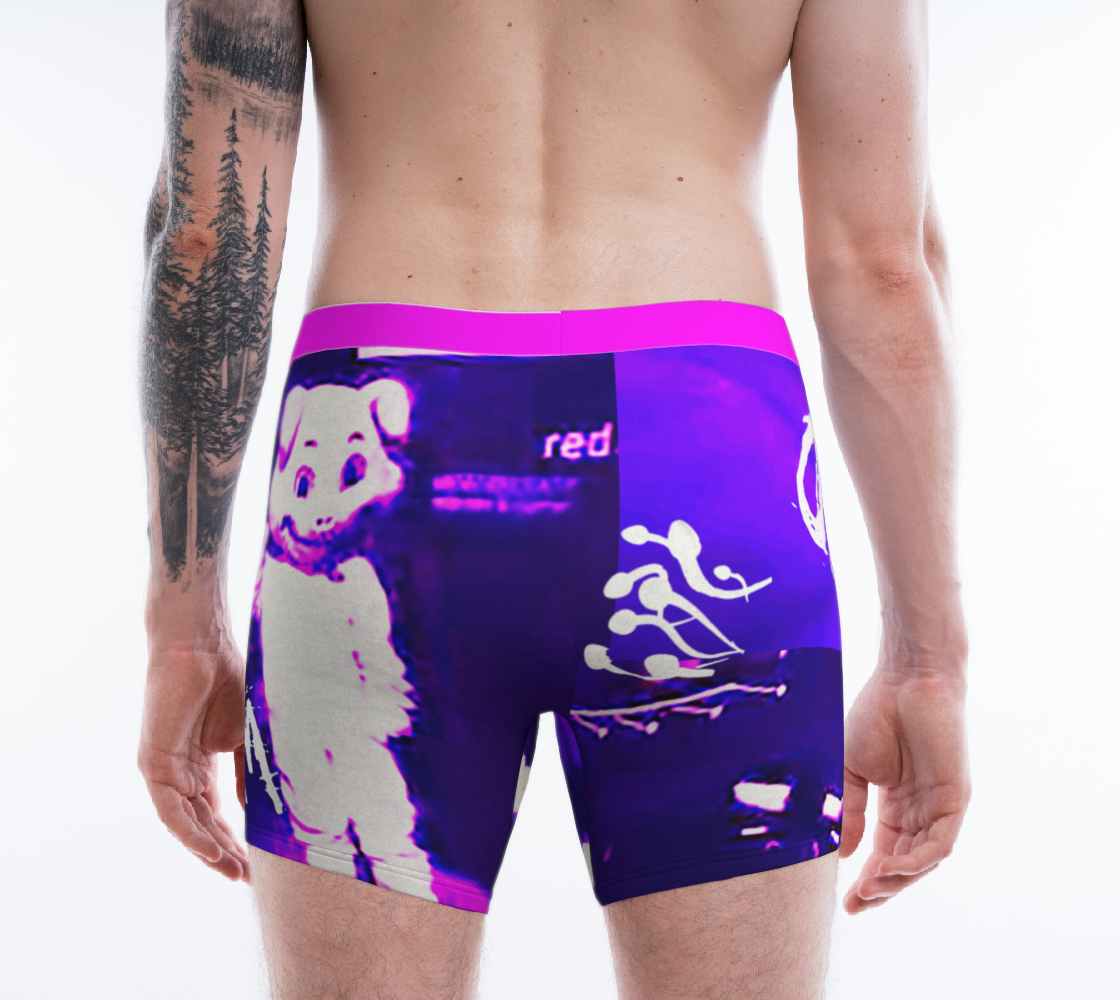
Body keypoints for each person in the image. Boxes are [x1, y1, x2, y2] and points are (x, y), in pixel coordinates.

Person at [138, 1, 969, 996]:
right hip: (699, 458)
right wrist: (928, 662)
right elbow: (883, 267)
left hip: (388, 459)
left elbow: (208, 238)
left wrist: (182, 632)